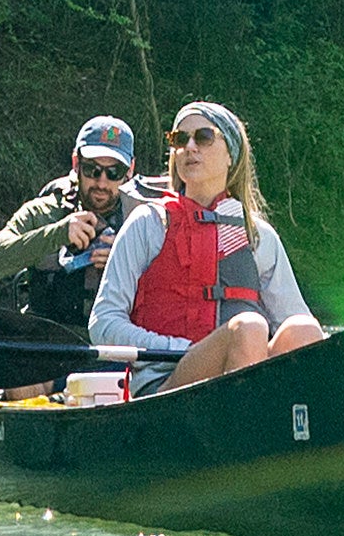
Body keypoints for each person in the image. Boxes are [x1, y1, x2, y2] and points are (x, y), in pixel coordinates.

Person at [91, 102, 317, 384]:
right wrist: (180, 349)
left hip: (238, 379)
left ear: (230, 156)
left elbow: (304, 336)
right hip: (165, 380)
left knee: (304, 330)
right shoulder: (149, 223)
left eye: (204, 137)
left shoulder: (258, 236)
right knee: (248, 327)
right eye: (180, 139)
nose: (190, 147)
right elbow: (103, 323)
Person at [0, 114, 147, 326]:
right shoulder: (43, 212)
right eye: (92, 169)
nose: (102, 183)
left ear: (130, 170)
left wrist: (125, 261)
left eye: (114, 172)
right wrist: (57, 234)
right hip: (47, 344)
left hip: (116, 348)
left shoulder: (145, 221)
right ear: (76, 163)